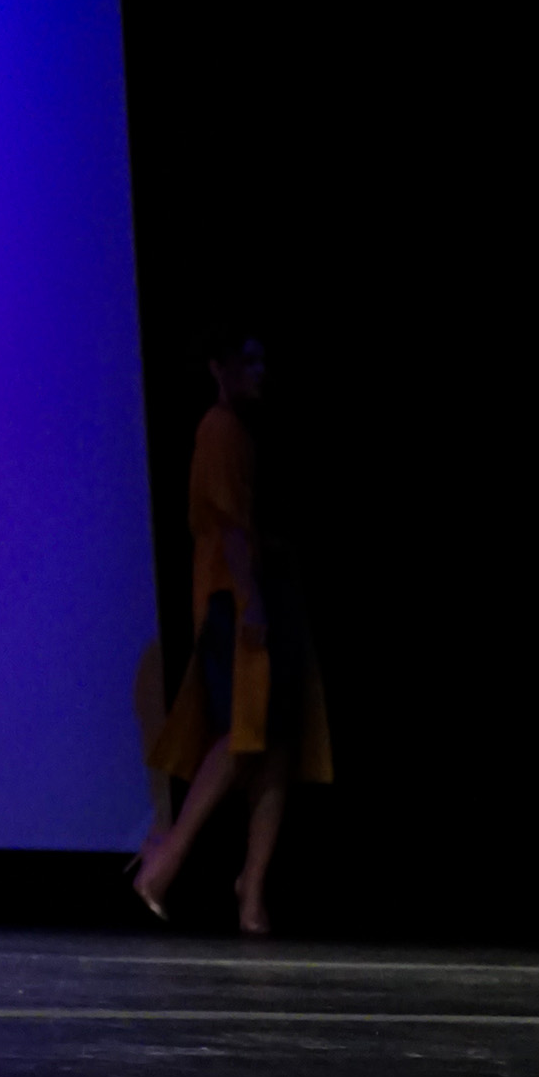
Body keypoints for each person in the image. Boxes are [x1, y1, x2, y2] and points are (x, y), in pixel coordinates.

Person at [135, 332, 332, 934]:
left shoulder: (254, 431)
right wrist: (250, 604)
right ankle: (167, 859)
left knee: (275, 746)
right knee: (239, 734)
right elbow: (229, 526)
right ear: (219, 368)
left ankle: (252, 888)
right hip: (238, 597)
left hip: (271, 593)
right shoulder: (219, 428)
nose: (259, 372)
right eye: (248, 361)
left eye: (262, 360)